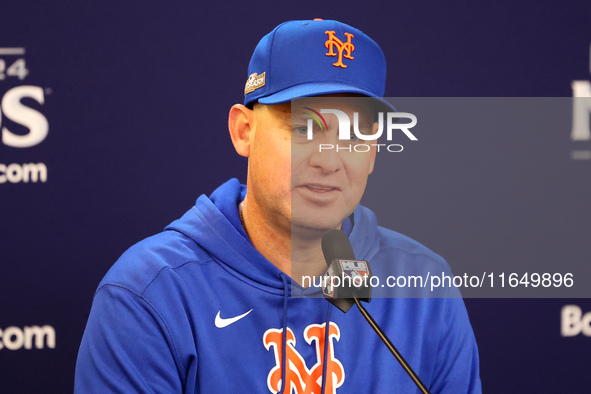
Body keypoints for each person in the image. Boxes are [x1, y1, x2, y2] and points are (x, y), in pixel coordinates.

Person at [75, 19, 481, 393]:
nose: (329, 159)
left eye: (355, 135)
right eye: (305, 127)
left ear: (373, 153)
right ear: (243, 131)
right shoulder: (148, 293)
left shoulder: (425, 285)